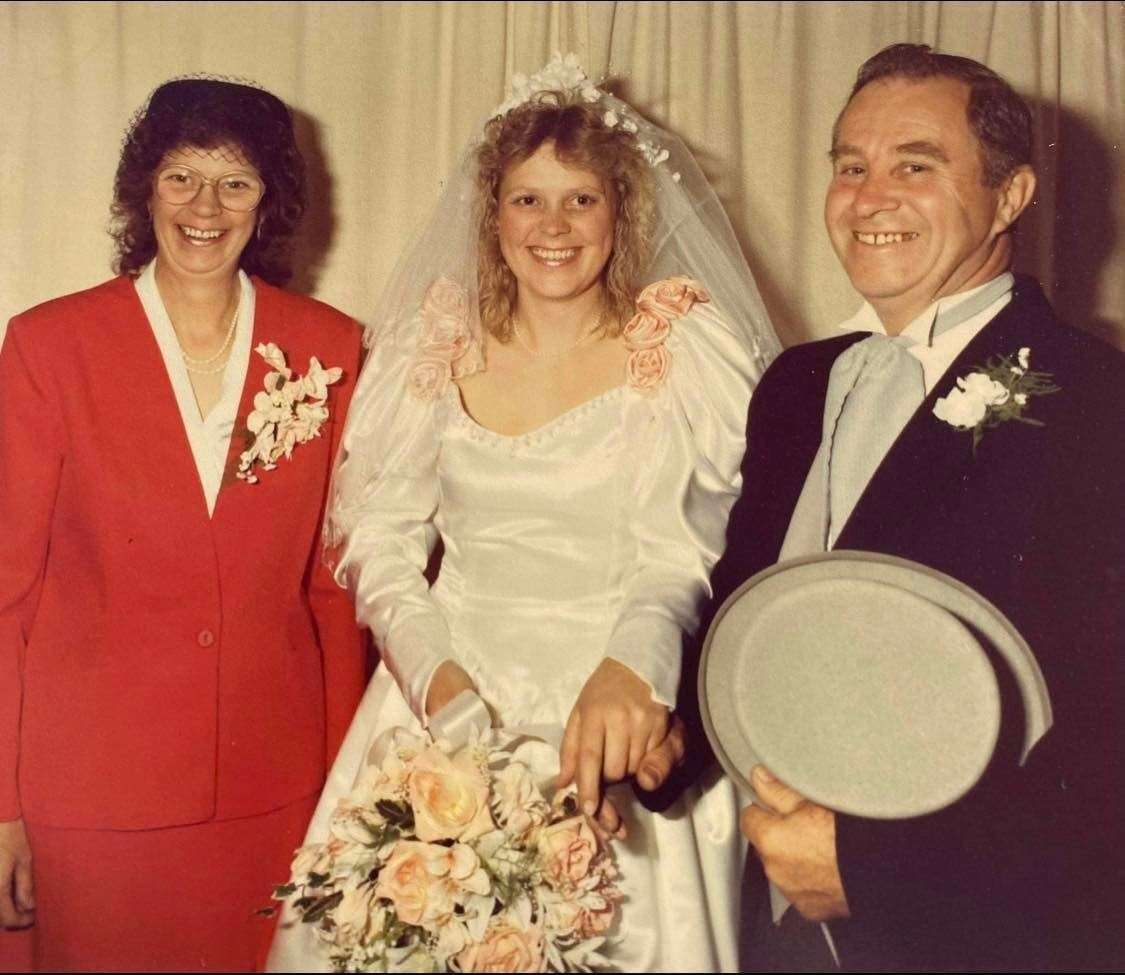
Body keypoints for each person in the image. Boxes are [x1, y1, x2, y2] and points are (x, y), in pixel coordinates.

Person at [267, 55, 780, 972]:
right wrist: (439, 686)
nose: (552, 226)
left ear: (621, 212)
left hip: (616, 711)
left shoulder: (678, 343)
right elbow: (380, 542)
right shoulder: (436, 341)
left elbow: (687, 550)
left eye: (579, 199)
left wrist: (637, 673)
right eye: (526, 199)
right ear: (490, 212)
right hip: (443, 705)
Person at [687, 43, 1123, 972]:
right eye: (850, 166)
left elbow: (1105, 731)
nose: (868, 197)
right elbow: (739, 601)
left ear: (1010, 197)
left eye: (914, 166)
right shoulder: (795, 385)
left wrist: (869, 866)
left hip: (969, 930)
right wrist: (658, 735)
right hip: (769, 918)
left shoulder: (1095, 399)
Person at [0, 77, 367, 971]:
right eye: (181, 177)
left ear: (269, 199)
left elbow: (335, 594)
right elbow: (6, 591)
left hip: (270, 795)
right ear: (144, 189)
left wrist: (344, 801)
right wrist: (1, 807)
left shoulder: (330, 349)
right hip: (89, 799)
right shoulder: (50, 346)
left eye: (235, 181)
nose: (206, 206)